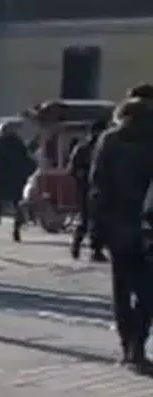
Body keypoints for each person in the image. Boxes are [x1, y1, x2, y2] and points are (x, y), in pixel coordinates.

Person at [89, 98, 153, 373]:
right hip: (149, 225)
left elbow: (98, 184)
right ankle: (138, 342)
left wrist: (96, 231)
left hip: (117, 225)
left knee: (122, 289)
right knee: (148, 291)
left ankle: (128, 345)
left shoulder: (110, 140)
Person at [67, 119, 108, 261]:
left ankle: (96, 250)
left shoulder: (105, 147)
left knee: (99, 220)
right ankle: (77, 245)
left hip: (102, 188)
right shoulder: (83, 148)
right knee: (85, 219)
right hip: (86, 188)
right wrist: (82, 174)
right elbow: (72, 169)